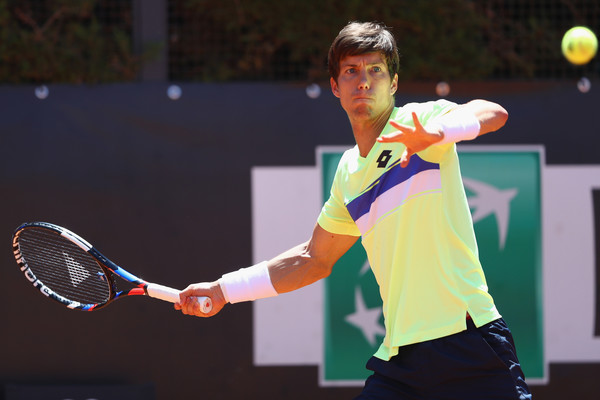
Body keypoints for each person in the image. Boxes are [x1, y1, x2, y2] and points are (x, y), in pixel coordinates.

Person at [176, 21, 532, 400]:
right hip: (401, 361)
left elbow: (493, 112)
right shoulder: (347, 173)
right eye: (351, 71)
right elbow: (313, 258)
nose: (363, 81)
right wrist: (223, 290)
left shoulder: (420, 121)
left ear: (393, 83)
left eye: (376, 70)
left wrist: (439, 133)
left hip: (468, 342)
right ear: (336, 86)